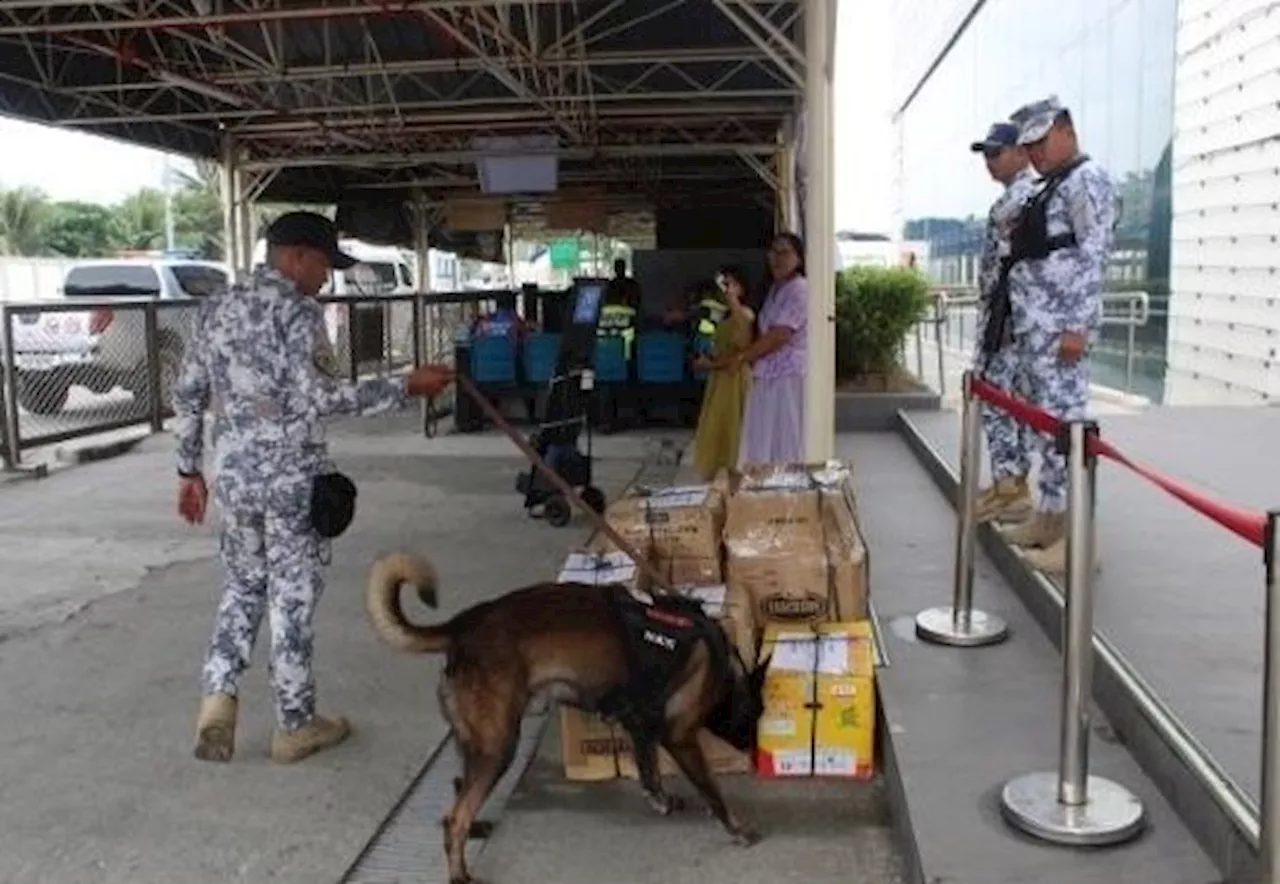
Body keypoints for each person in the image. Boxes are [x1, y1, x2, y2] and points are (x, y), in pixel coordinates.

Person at [173, 211, 455, 764]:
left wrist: (189, 471)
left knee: (242, 587)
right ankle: (295, 725)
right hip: (287, 478)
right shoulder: (300, 313)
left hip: (233, 476)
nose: (328, 278)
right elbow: (319, 400)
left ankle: (218, 698)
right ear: (296, 256)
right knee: (290, 599)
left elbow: (187, 395)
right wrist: (405, 386)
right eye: (326, 264)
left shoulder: (215, 308)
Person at [997, 97, 1119, 574]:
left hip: (1060, 330)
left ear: (1067, 130)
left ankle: (1078, 541)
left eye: (1041, 142)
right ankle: (1049, 520)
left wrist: (1077, 325)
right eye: (1027, 147)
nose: (1034, 155)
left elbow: (1094, 256)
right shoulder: (1054, 185)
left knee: (1067, 433)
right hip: (1037, 331)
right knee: (1047, 431)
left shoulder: (1088, 180)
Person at [969, 121, 1039, 523]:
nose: (989, 162)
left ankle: (1011, 488)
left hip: (1010, 321)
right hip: (1005, 317)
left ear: (1020, 151)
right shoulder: (1018, 196)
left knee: (1002, 403)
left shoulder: (1023, 197)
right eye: (986, 155)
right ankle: (1007, 484)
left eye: (996, 153)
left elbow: (1016, 270)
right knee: (1005, 403)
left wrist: (1007, 321)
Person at [735, 232, 808, 466]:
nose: (777, 258)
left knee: (785, 440)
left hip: (788, 376)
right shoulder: (774, 290)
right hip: (767, 373)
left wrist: (743, 357)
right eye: (773, 252)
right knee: (764, 439)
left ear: (798, 258)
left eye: (784, 252)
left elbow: (780, 335)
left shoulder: (800, 289)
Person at [690, 266, 756, 480]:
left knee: (731, 428)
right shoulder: (722, 317)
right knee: (716, 428)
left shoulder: (745, 313)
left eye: (731, 284)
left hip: (734, 379)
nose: (725, 289)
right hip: (720, 379)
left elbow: (744, 341)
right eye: (723, 284)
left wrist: (733, 300)